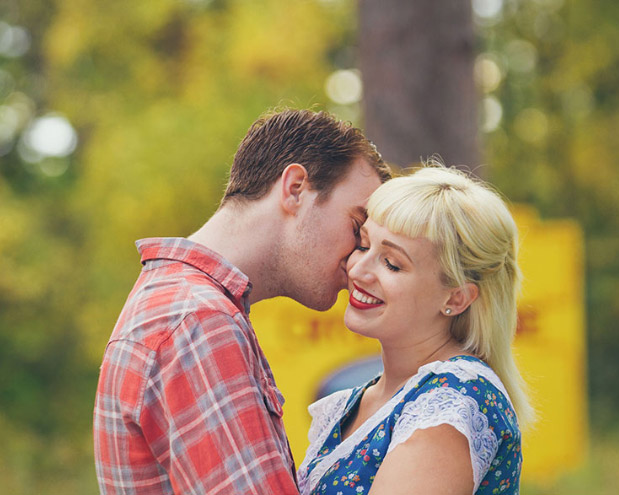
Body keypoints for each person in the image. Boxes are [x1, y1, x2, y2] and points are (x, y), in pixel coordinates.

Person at [93, 108, 391, 495]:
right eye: (356, 227)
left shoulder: (184, 306)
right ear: (296, 187)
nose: (357, 259)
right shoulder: (199, 321)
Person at [297, 165, 534, 495]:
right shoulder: (358, 400)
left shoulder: (452, 400)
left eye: (392, 263)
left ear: (456, 297)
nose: (358, 270)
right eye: (363, 245)